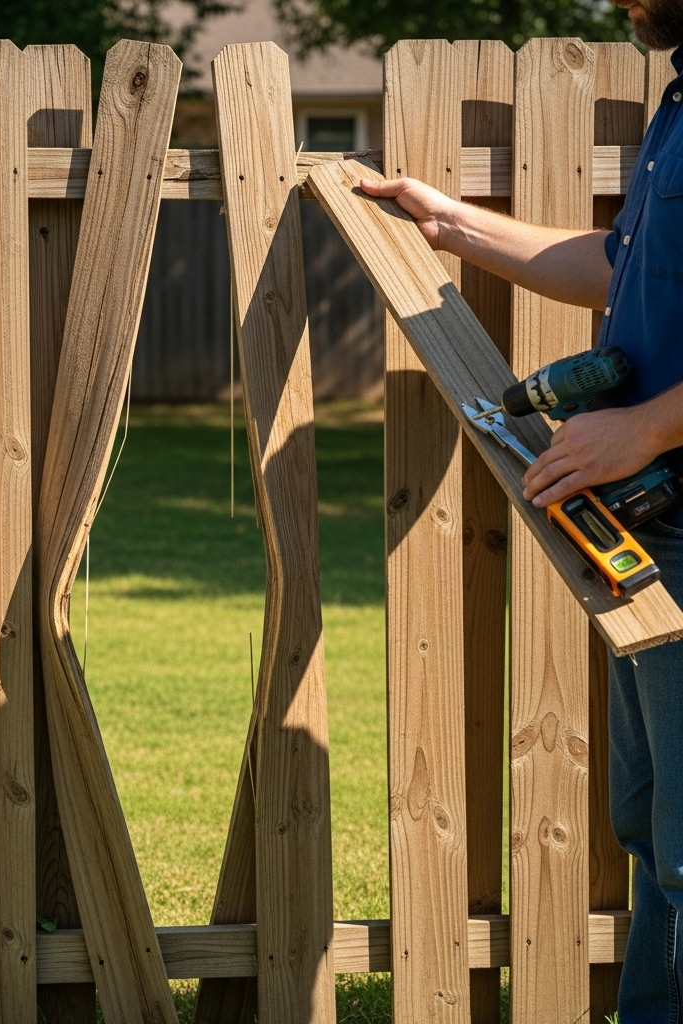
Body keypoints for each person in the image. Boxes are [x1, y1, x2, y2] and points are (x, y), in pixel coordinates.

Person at [361, 1, 683, 1017]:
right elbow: (622, 262)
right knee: (652, 825)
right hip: (652, 524)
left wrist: (649, 427)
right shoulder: (679, 104)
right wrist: (450, 224)